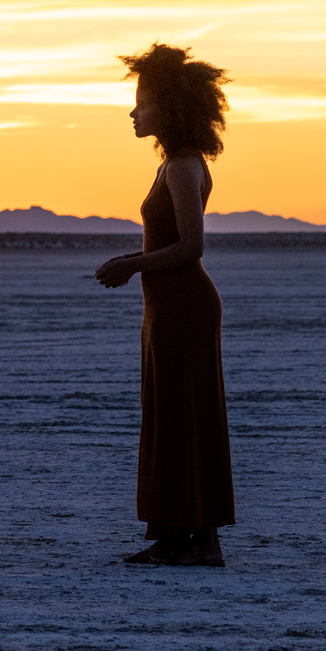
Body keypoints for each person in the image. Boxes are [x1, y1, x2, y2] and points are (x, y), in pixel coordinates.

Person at [94, 43, 235, 567]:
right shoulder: (172, 165)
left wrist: (133, 265)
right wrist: (132, 258)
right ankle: (180, 537)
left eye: (143, 103)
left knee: (184, 417)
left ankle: (198, 540)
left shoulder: (181, 167)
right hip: (166, 307)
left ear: (170, 108)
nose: (134, 112)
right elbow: (166, 245)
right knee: (172, 416)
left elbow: (191, 248)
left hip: (185, 307)